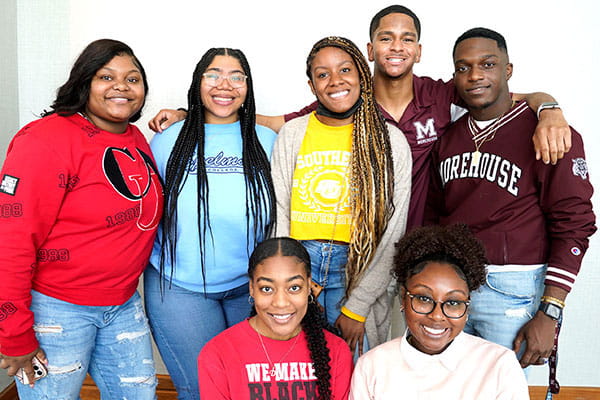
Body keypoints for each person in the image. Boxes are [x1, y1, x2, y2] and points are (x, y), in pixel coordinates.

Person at [148, 5, 572, 232]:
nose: (396, 47)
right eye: (386, 38)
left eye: (407, 39)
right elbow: (273, 121)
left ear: (419, 51)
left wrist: (548, 107)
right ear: (370, 49)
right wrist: (195, 111)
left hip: (423, 236)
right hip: (359, 244)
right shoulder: (342, 101)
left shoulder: (442, 93)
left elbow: (504, 94)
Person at [426, 27, 596, 372]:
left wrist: (550, 310)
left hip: (514, 289)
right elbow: (434, 215)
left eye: (487, 64)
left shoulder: (549, 132)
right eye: (463, 67)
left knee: (501, 389)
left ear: (508, 70)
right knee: (449, 386)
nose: (475, 76)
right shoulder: (448, 139)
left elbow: (575, 223)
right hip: (454, 286)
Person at [0, 39, 163, 399]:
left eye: (132, 79)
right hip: (57, 308)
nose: (121, 86)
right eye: (106, 76)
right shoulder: (45, 140)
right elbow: (10, 240)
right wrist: (12, 332)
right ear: (84, 82)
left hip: (122, 302)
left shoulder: (135, 138)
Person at [144, 48, 277, 399]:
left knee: (253, 387)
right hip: (179, 289)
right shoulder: (168, 139)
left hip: (249, 289)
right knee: (202, 389)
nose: (225, 84)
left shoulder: (268, 141)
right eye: (213, 74)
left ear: (247, 87)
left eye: (237, 76)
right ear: (198, 82)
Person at [271, 36, 411, 355]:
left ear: (362, 75)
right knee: (300, 365)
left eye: (345, 69)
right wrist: (290, 281)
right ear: (312, 85)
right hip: (300, 263)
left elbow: (393, 231)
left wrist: (357, 306)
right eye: (323, 74)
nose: (336, 81)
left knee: (355, 369)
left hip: (358, 269)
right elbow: (279, 214)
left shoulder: (391, 141)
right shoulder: (294, 133)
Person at [350, 224, 529, 399]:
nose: (437, 316)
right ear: (403, 297)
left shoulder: (499, 365)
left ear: (467, 307)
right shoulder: (373, 365)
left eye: (453, 302)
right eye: (424, 299)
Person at [198, 237, 353, 399]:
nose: (280, 303)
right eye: (267, 288)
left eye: (294, 287)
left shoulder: (337, 351)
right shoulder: (217, 353)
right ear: (252, 289)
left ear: (308, 286)